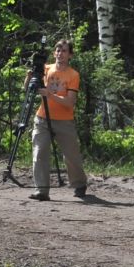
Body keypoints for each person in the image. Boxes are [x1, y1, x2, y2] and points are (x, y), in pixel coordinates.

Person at [31, 39, 87, 201]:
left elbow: (70, 102)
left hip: (64, 121)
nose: (60, 53)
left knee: (71, 156)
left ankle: (79, 184)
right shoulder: (46, 69)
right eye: (58, 50)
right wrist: (31, 76)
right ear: (54, 52)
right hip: (42, 118)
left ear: (70, 54)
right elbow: (27, 88)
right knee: (40, 151)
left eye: (64, 51)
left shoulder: (73, 75)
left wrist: (50, 95)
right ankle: (41, 190)